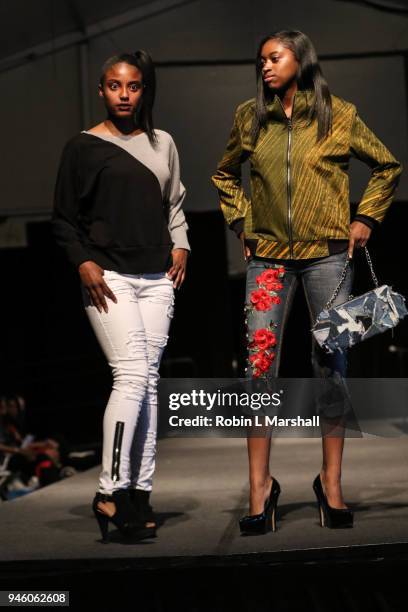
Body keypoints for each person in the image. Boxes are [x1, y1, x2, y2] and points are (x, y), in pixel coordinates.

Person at [212, 30, 402, 534]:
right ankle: (260, 488)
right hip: (269, 259)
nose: (266, 67)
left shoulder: (340, 114)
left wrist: (366, 218)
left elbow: (387, 165)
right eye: (261, 61)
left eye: (275, 57)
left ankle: (331, 483)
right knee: (258, 369)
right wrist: (243, 224)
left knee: (333, 366)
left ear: (301, 58)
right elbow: (224, 175)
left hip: (330, 257)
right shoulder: (249, 116)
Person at [52, 50, 190, 542]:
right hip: (107, 276)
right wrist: (84, 262)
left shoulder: (163, 143)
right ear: (102, 90)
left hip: (157, 277)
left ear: (144, 90)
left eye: (133, 87)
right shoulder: (82, 147)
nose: (124, 95)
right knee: (131, 375)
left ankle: (139, 492)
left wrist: (182, 245)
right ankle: (109, 491)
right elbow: (64, 219)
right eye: (114, 86)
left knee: (149, 382)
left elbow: (175, 202)